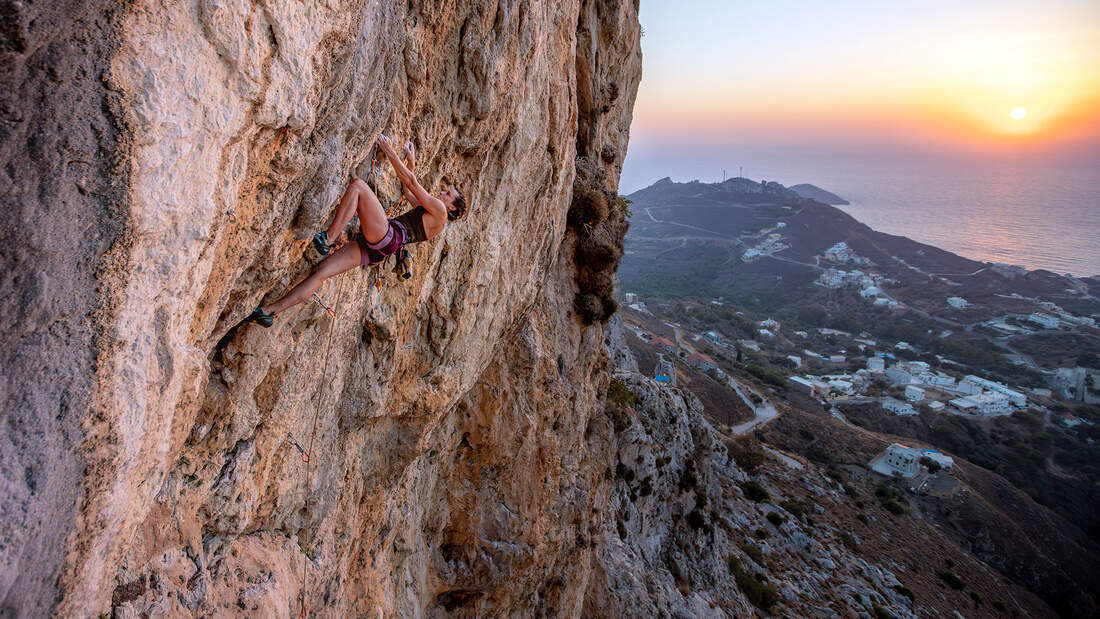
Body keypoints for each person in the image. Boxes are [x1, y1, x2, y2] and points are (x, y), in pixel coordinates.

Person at [246, 135, 467, 327]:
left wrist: (389, 151)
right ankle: (268, 312)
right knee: (321, 272)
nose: (442, 192)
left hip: (388, 235)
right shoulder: (436, 222)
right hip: (381, 249)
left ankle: (328, 239)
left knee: (359, 187)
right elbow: (408, 191)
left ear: (452, 207)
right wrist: (411, 161)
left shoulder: (440, 211)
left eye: (447, 194)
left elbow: (410, 182)